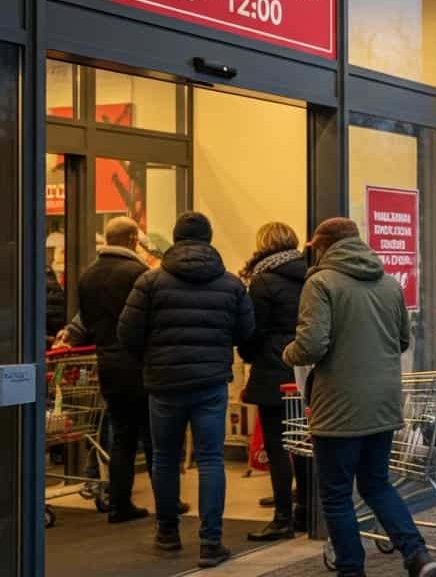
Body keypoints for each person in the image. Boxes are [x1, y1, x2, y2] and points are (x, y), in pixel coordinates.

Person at [282, 218, 436, 577]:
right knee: (376, 483)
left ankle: (352, 571)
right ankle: (417, 555)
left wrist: (288, 353)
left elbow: (311, 345)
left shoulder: (320, 283)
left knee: (337, 495)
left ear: (323, 247)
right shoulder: (388, 283)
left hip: (338, 407)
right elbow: (403, 340)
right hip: (383, 404)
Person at [118, 211, 255, 567]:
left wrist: (152, 358)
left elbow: (127, 333)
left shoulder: (150, 282)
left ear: (176, 239)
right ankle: (211, 542)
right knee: (211, 459)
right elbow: (245, 333)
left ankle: (167, 533)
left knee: (165, 458)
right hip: (210, 383)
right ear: (209, 239)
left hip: (164, 384)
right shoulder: (230, 284)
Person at [59, 217, 151, 524]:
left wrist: (69, 335)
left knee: (122, 436)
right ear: (131, 240)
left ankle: (119, 503)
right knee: (153, 437)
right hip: (139, 364)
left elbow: (86, 322)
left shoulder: (88, 276)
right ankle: (167, 500)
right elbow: (145, 322)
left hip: (107, 365)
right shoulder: (138, 274)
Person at [237, 222, 310, 542]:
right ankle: (306, 510)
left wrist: (249, 354)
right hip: (306, 370)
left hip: (273, 369)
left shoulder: (263, 280)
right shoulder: (311, 272)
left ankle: (282, 517)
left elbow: (254, 330)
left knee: (279, 447)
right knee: (305, 444)